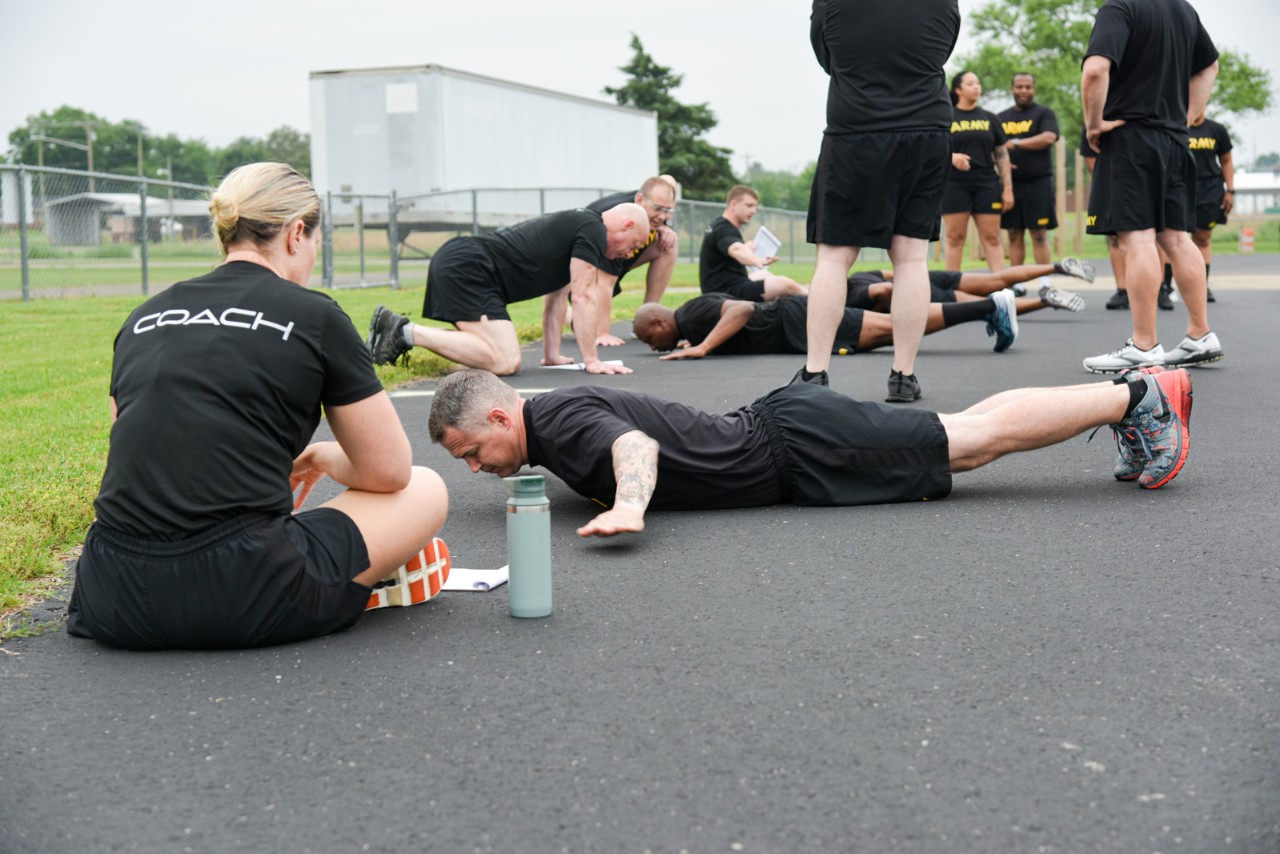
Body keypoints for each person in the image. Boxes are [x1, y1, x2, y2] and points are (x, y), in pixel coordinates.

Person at [66, 162, 451, 651]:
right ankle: (348, 586)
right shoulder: (316, 316)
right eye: (316, 242)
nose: (313, 255)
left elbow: (135, 447)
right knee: (426, 487)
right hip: (243, 590)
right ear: (295, 234)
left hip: (111, 592)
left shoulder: (143, 316)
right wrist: (322, 456)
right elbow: (390, 472)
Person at [428, 366, 1192, 539]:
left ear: (501, 414)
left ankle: (1140, 399)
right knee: (961, 431)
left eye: (471, 450)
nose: (475, 468)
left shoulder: (554, 423)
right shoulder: (551, 418)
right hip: (794, 435)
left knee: (972, 444)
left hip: (800, 448)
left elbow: (631, 444)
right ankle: (1133, 400)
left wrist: (630, 504)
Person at [805, 0, 960, 402]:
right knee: (910, 257)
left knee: (834, 256)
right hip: (926, 127)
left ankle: (815, 374)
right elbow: (944, 46)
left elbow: (826, 54)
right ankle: (903, 376)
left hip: (856, 126)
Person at [1081, 0, 1222, 373]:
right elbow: (1210, 65)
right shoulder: (1183, 10)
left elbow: (1096, 70)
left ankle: (1144, 345)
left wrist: (1093, 123)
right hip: (1175, 139)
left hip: (1132, 137)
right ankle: (1200, 334)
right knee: (1176, 238)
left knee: (1138, 239)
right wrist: (1187, 116)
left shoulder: (1121, 6)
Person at [366, 204, 651, 376]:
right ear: (626, 225)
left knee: (498, 356)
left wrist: (551, 355)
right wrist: (592, 361)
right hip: (470, 267)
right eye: (634, 244)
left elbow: (556, 300)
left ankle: (399, 331)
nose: (629, 254)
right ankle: (403, 331)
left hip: (471, 266)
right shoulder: (593, 230)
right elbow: (584, 296)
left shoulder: (582, 227)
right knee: (505, 360)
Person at [632, 285, 1022, 359]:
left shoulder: (690, 315)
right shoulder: (690, 319)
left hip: (797, 321)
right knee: (893, 329)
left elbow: (741, 310)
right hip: (796, 324)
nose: (651, 346)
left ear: (657, 321)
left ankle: (990, 306)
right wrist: (696, 342)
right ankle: (989, 308)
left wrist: (703, 346)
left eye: (647, 338)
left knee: (894, 327)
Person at [567, 175, 680, 347]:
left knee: (668, 244)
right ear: (640, 199)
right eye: (658, 209)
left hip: (613, 260)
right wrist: (603, 333)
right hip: (578, 274)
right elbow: (605, 281)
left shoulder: (652, 209)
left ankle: (648, 314)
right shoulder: (617, 221)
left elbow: (659, 215)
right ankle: (564, 312)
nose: (662, 216)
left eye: (668, 211)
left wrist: (664, 228)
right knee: (587, 329)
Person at [943, 70, 1014, 273]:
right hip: (954, 184)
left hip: (987, 184)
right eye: (970, 83)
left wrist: (1007, 188)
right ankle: (951, 290)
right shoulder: (946, 117)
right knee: (955, 238)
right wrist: (952, 158)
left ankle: (1001, 288)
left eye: (978, 83)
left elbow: (1002, 155)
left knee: (992, 238)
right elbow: (934, 149)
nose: (976, 87)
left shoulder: (990, 118)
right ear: (958, 89)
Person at [1159, 115, 1234, 306]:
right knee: (1170, 238)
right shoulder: (1175, 126)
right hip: (1180, 186)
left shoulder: (1217, 130)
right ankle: (1165, 288)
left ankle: (1202, 286)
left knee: (1202, 238)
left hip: (1209, 189)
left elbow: (1226, 160)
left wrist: (1230, 191)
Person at [847, 259, 1091, 312]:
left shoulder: (851, 296)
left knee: (989, 305)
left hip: (921, 292)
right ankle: (1057, 267)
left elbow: (884, 290)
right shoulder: (857, 276)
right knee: (997, 279)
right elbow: (890, 274)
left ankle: (1046, 300)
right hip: (926, 276)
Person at [700, 185, 806, 301]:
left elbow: (733, 248)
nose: (754, 211)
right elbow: (736, 249)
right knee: (785, 284)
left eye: (755, 206)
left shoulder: (718, 225)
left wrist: (747, 249)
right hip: (726, 293)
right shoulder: (724, 229)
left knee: (765, 275)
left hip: (726, 286)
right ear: (733, 204)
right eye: (749, 206)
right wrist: (757, 260)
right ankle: (816, 301)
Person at [999, 73, 1060, 265]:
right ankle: (1017, 284)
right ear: (1012, 89)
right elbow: (994, 147)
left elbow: (1049, 137)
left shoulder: (1044, 113)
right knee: (1014, 236)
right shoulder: (1001, 117)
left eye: (1028, 87)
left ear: (1034, 89)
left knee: (1039, 235)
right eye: (1019, 87)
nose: (1023, 91)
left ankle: (1044, 283)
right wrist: (999, 162)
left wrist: (1016, 142)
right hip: (1011, 185)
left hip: (1038, 183)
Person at [1080, 128, 1131, 310]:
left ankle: (1162, 288)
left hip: (1140, 179)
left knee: (1156, 235)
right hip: (1112, 183)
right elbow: (1091, 161)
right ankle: (1122, 290)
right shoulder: (1093, 122)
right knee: (1114, 236)